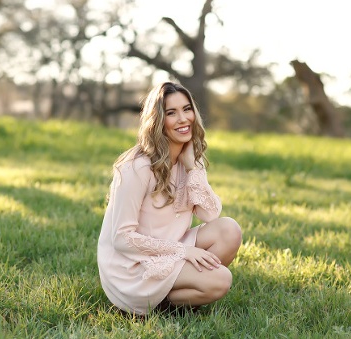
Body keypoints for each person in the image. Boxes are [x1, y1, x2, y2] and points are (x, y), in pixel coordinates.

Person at [97, 82, 242, 315]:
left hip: (172, 248)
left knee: (229, 230)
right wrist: (183, 252)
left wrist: (192, 168)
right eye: (171, 113)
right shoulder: (137, 167)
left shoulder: (189, 159)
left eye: (187, 109)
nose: (183, 119)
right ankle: (154, 302)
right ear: (158, 121)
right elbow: (121, 239)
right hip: (133, 266)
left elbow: (210, 215)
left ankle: (171, 297)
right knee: (221, 279)